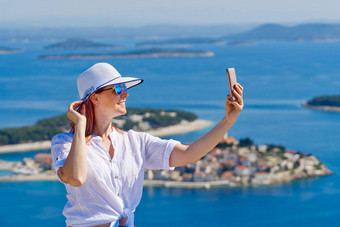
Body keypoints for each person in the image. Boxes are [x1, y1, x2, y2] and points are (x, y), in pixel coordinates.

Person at [51, 62, 244, 227]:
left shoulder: (136, 141)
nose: (125, 94)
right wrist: (81, 125)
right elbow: (75, 178)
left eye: (125, 88)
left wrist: (228, 120)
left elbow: (190, 154)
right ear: (95, 97)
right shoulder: (64, 143)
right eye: (118, 89)